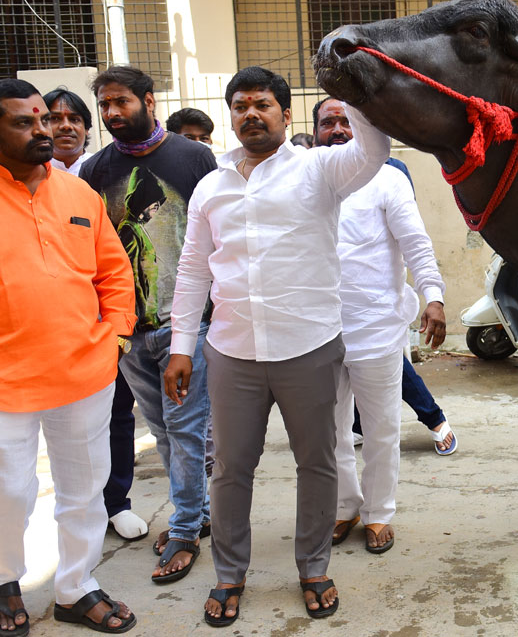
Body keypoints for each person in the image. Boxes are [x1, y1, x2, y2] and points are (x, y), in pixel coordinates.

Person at [163, 66, 388, 625]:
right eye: (240, 106)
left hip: (307, 346)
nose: (250, 115)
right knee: (230, 468)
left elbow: (373, 151)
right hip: (232, 351)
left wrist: (354, 88)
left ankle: (313, 567)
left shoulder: (320, 169)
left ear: (285, 115)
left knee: (317, 462)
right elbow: (193, 271)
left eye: (262, 104)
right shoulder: (212, 186)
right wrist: (181, 346)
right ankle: (229, 574)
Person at [0, 78, 138, 635]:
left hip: (84, 374)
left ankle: (76, 587)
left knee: (85, 488)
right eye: (24, 122)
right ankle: (1, 579)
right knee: (10, 489)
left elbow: (114, 273)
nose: (44, 130)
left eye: (44, 118)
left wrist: (115, 337)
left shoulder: (78, 195)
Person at [80, 65, 217, 583]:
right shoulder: (94, 170)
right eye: (105, 105)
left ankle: (184, 529)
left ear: (148, 101)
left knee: (185, 429)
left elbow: (216, 235)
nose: (112, 112)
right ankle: (198, 512)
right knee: (162, 429)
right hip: (128, 331)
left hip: (187, 327)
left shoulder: (193, 157)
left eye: (121, 101)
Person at [314, 98, 448, 555]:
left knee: (381, 429)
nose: (338, 129)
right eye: (328, 122)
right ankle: (344, 507)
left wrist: (433, 296)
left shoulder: (388, 179)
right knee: (330, 432)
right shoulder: (307, 178)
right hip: (317, 333)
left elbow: (415, 242)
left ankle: (378, 513)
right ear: (314, 131)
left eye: (347, 121)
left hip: (375, 329)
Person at [43, 87, 94, 175]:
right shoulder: (29, 172)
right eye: (55, 118)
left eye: (74, 119)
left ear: (86, 129)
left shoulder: (103, 168)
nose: (66, 126)